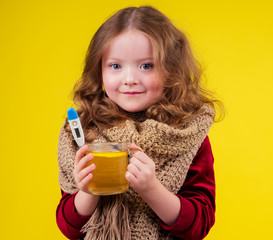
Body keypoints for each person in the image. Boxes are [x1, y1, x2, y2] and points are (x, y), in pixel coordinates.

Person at [56, 5, 222, 240]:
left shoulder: (188, 132)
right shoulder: (83, 132)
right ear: (99, 70)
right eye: (115, 66)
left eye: (146, 66)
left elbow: (199, 225)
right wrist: (87, 192)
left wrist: (151, 189)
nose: (130, 79)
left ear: (171, 70)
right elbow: (69, 228)